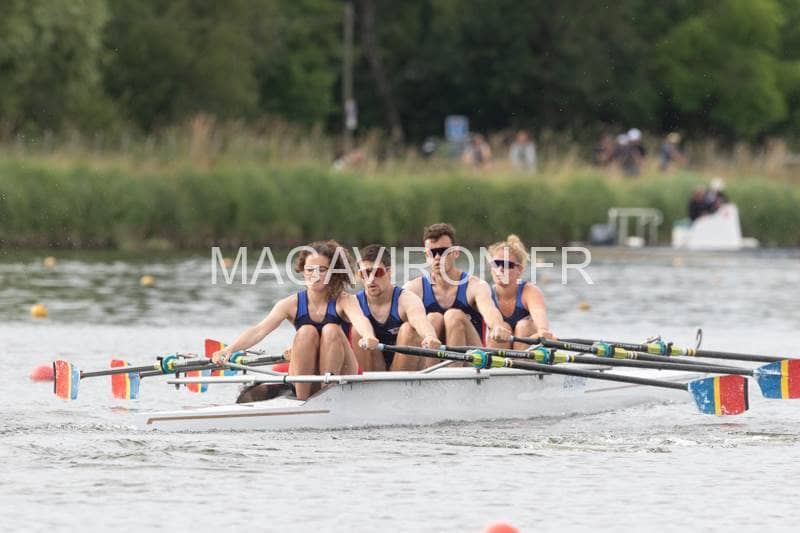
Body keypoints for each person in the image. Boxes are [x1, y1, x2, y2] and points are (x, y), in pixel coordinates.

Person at [212, 240, 379, 401]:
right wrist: (229, 350)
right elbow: (259, 330)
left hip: (342, 373)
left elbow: (360, 319)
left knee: (331, 329)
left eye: (322, 270)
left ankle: (327, 396)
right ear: (302, 271)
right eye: (310, 269)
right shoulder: (290, 304)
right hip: (308, 375)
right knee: (306, 331)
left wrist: (368, 336)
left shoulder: (345, 300)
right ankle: (302, 401)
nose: (315, 275)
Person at [404, 223, 510, 367]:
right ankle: (428, 375)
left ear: (456, 253)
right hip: (432, 361)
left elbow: (489, 310)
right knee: (432, 319)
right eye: (432, 252)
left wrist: (497, 325)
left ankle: (452, 374)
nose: (437, 257)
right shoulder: (413, 288)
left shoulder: (476, 286)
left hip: (472, 358)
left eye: (443, 251)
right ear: (426, 255)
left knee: (453, 316)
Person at [351, 244, 442, 371]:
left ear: (390, 272)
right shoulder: (353, 302)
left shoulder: (406, 299)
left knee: (409, 329)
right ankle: (364, 381)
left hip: (404, 366)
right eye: (365, 273)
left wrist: (429, 336)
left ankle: (399, 380)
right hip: (373, 367)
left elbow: (419, 319)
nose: (370, 279)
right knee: (357, 330)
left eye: (377, 272)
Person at [485, 235, 554, 350]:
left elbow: (539, 312)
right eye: (496, 264)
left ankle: (519, 359)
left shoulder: (530, 291)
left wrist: (543, 330)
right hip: (496, 345)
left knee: (524, 326)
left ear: (519, 269)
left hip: (525, 341)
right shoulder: (484, 293)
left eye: (507, 265)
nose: (500, 269)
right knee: (502, 327)